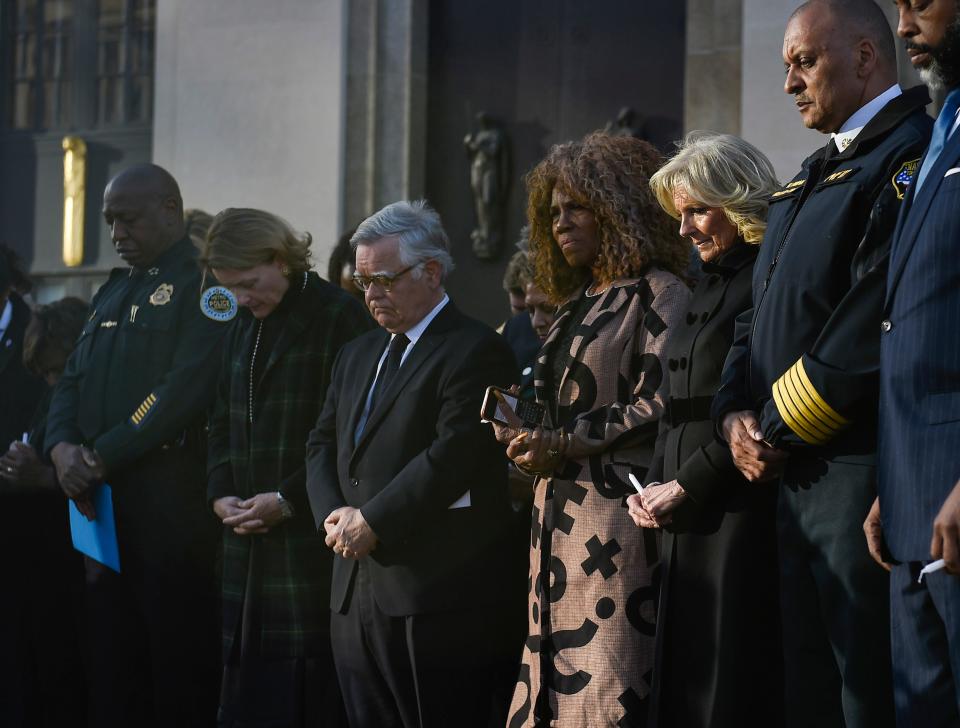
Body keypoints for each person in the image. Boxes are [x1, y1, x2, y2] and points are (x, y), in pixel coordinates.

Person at [711, 2, 932, 726]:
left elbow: (870, 319)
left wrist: (772, 425)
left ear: (867, 57)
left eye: (804, 62)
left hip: (854, 469)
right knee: (805, 686)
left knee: (861, 684)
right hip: (789, 470)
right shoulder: (811, 173)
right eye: (784, 67)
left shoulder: (906, 156)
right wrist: (732, 413)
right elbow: (757, 310)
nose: (788, 84)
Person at [499, 131, 691, 727]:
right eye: (553, 212)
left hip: (615, 523)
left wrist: (562, 442)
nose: (561, 224)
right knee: (547, 688)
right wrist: (514, 421)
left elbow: (658, 402)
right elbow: (548, 408)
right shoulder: (575, 302)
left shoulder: (661, 293)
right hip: (551, 522)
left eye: (577, 207)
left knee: (609, 680)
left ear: (619, 207)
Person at [305, 200, 520, 728]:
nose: (371, 294)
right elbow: (320, 441)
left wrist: (373, 520)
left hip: (436, 596)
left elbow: (454, 455)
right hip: (354, 586)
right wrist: (332, 514)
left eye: (383, 280)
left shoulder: (473, 350)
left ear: (431, 271)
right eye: (362, 283)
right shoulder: (356, 354)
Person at [44, 163, 232, 726]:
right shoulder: (112, 289)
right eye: (109, 222)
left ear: (170, 209)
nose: (118, 233)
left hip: (167, 504)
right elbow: (71, 379)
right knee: (110, 659)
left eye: (128, 219)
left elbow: (181, 390)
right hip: (100, 504)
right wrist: (60, 449)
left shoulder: (205, 285)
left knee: (174, 663)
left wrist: (101, 454)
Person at [634, 132, 783, 727]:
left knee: (730, 680)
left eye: (697, 210)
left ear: (738, 198)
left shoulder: (761, 278)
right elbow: (678, 405)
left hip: (733, 510)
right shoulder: (706, 281)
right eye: (680, 214)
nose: (684, 230)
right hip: (680, 509)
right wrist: (653, 484)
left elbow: (755, 405)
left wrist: (687, 484)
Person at [201, 208, 371, 727]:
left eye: (250, 284)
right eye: (232, 289)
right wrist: (219, 491)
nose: (243, 299)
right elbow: (221, 419)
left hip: (308, 544)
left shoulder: (338, 315)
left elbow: (350, 436)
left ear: (280, 259)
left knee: (306, 698)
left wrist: (290, 499)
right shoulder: (240, 325)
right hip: (245, 544)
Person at [864, 2, 960, 725]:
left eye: (920, 1)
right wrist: (892, 482)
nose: (902, 27)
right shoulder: (943, 124)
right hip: (910, 510)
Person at [0, 296, 87, 727]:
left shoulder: (84, 396)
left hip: (72, 566)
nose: (52, 382)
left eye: (56, 371)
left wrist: (42, 477)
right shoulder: (51, 395)